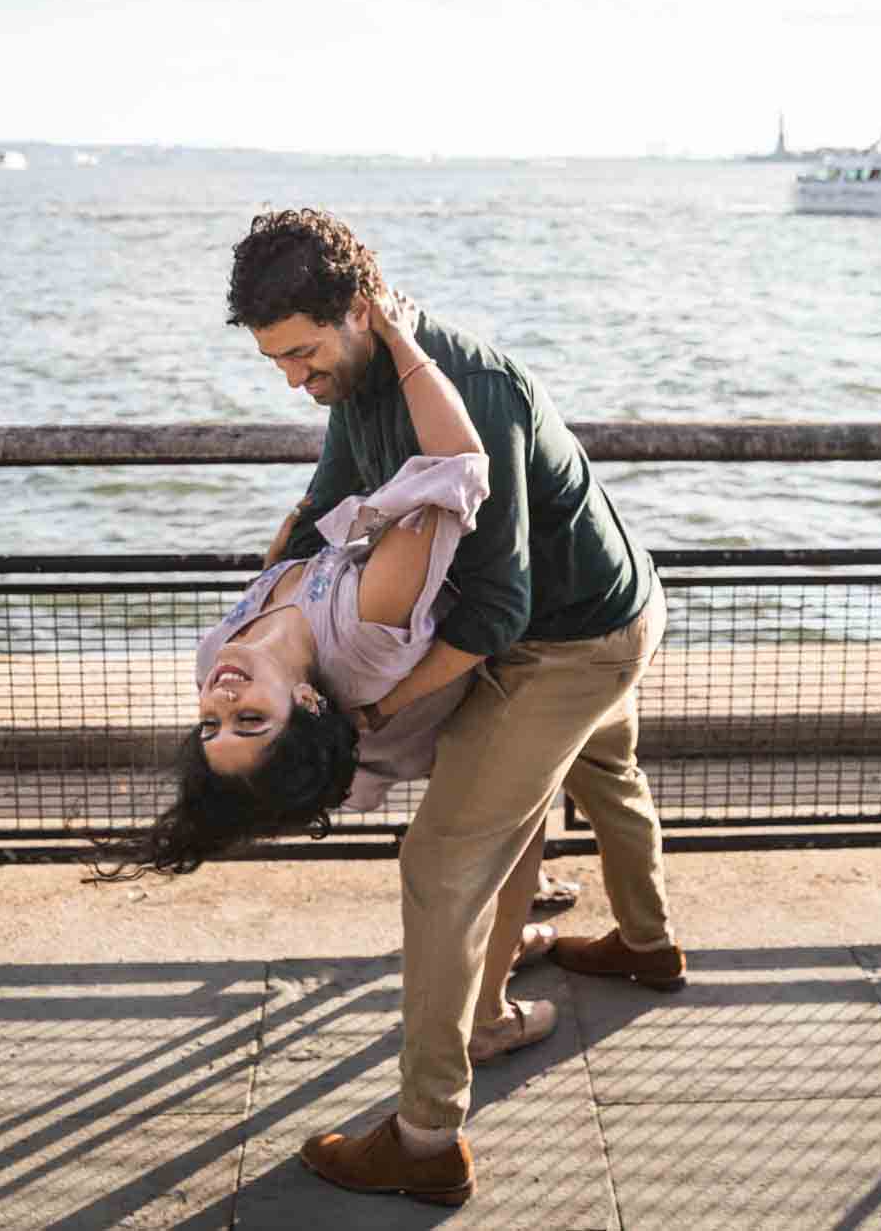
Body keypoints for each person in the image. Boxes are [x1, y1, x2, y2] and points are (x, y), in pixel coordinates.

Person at [228, 208, 682, 1207]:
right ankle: (646, 948)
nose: (294, 382)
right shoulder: (361, 379)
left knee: (442, 857)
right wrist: (253, 619)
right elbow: (320, 509)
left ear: (358, 308)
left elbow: (492, 615)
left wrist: (369, 710)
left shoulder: (465, 385)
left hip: (567, 641)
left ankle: (427, 1137)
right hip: (610, 597)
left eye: (303, 355)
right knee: (597, 776)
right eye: (275, 364)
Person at [105, 290, 559, 1066]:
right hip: (525, 655)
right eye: (251, 719)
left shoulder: (219, 657)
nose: (220, 700)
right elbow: (454, 471)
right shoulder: (365, 625)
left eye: (211, 723)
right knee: (509, 834)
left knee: (581, 791)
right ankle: (505, 988)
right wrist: (401, 340)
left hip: (495, 661)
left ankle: (554, 933)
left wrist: (305, 527)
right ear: (309, 702)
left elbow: (302, 533)